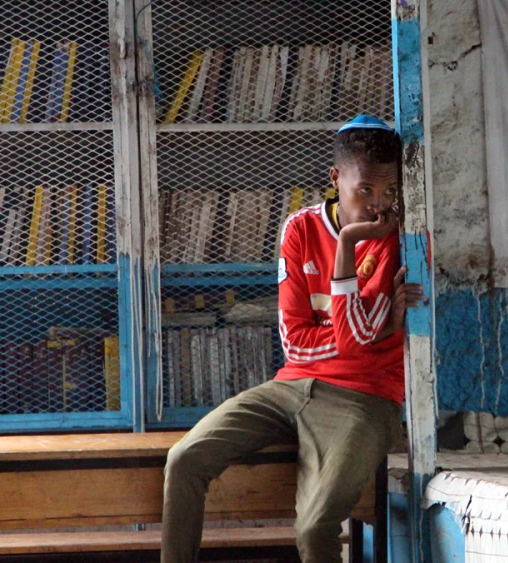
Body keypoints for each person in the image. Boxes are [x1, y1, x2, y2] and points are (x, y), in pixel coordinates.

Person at [161, 115, 423, 563]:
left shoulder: (393, 239)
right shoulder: (299, 228)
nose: (378, 206)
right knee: (184, 459)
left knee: (315, 526)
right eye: (365, 190)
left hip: (365, 396)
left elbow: (353, 341)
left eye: (390, 191)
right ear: (335, 179)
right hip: (290, 385)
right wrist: (376, 328)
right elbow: (298, 344)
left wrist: (348, 245)